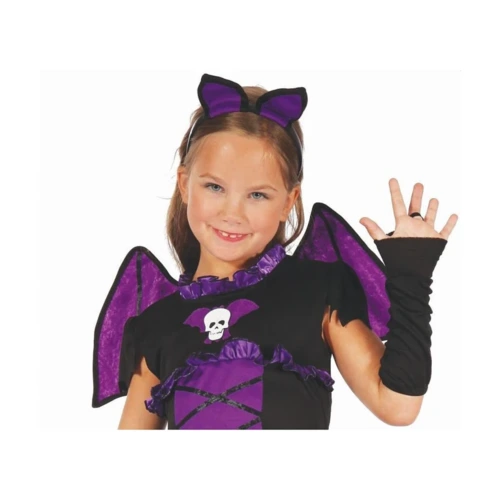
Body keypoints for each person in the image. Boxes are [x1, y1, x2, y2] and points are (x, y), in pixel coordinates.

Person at [91, 73, 458, 430]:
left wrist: (411, 274)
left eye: (257, 194)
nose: (232, 213)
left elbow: (397, 406)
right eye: (215, 187)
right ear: (185, 184)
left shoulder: (317, 290)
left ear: (288, 202)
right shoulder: (157, 323)